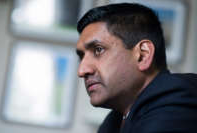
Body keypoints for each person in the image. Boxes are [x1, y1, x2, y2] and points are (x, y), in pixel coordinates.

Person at [76, 3, 197, 133]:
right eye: (82, 56)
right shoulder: (115, 119)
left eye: (98, 50)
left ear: (143, 55)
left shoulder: (177, 103)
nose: (82, 70)